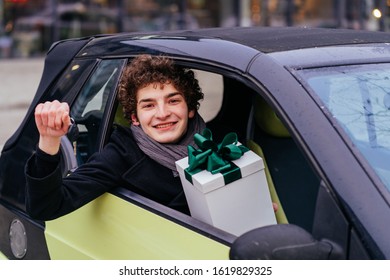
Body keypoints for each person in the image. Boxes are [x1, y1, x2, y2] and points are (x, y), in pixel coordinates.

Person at [25, 54, 205, 220]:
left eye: (173, 101)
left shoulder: (219, 140)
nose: (163, 113)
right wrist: (49, 139)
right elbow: (45, 206)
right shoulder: (122, 154)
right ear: (134, 118)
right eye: (149, 105)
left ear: (190, 108)